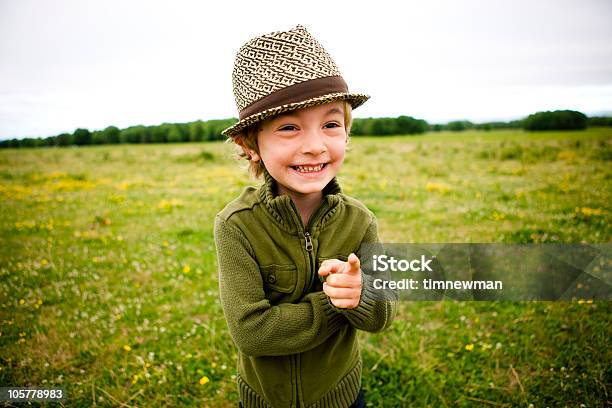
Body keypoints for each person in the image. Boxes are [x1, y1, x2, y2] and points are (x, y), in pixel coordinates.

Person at [214, 24, 397, 408]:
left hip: (341, 394)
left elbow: (382, 315)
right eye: (289, 127)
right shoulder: (237, 225)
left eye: (331, 124)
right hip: (266, 399)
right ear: (250, 145)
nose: (315, 146)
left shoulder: (360, 220)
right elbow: (252, 333)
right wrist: (334, 305)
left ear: (346, 134)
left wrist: (363, 294)